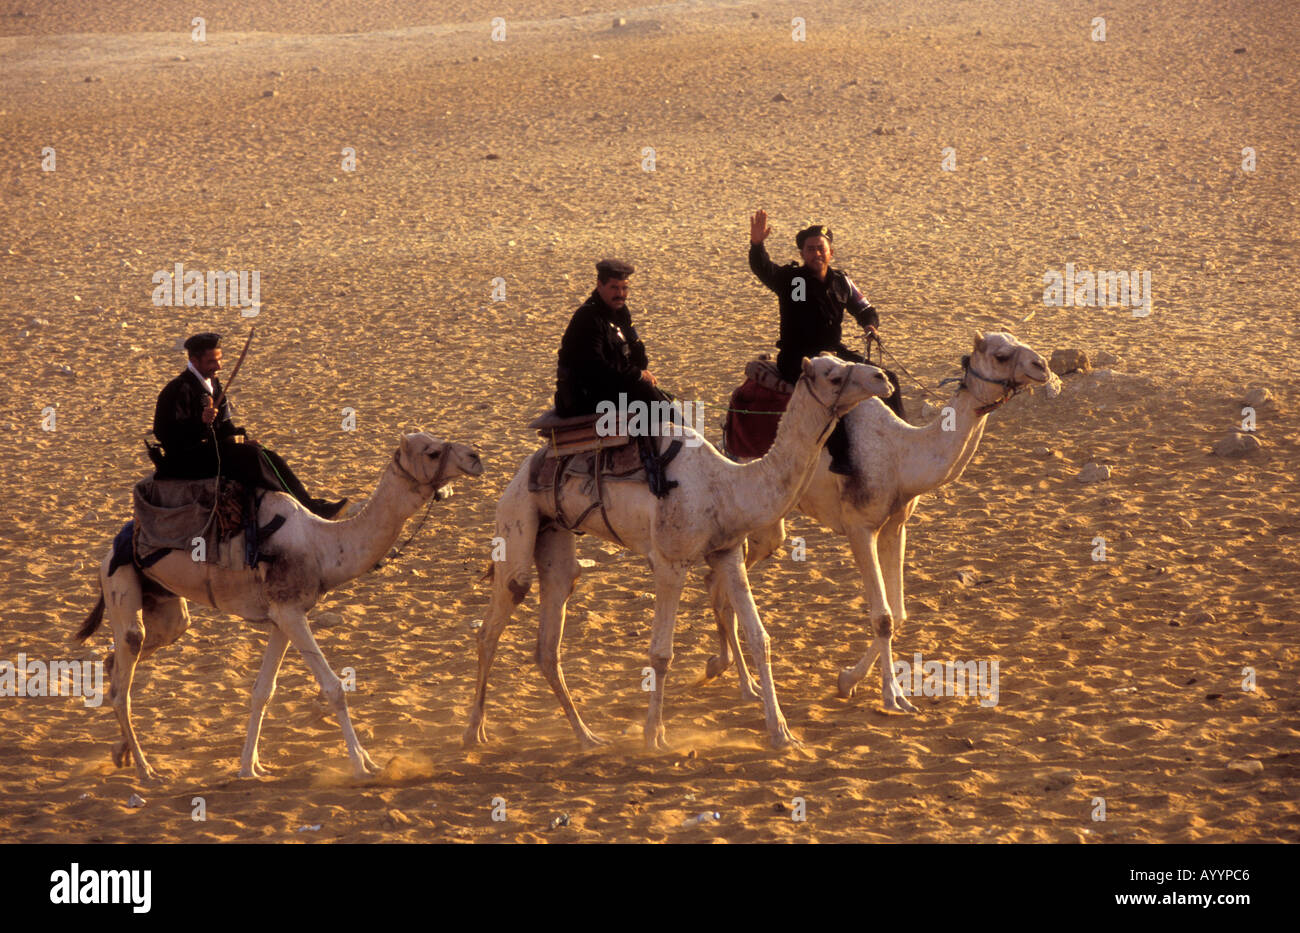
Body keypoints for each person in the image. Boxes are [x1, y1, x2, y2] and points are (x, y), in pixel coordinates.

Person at [748, 210, 904, 474]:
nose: (816, 253)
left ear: (830, 251)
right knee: (832, 391)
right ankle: (840, 458)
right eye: (809, 249)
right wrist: (757, 245)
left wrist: (870, 326)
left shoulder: (842, 282)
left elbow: (865, 309)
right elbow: (764, 269)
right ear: (802, 253)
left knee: (888, 378)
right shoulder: (793, 281)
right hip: (799, 356)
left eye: (821, 248)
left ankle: (897, 440)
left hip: (834, 353)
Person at [152, 333, 347, 519]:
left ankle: (309, 504)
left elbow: (225, 425)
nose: (218, 366)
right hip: (186, 460)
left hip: (213, 451)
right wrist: (199, 423)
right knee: (251, 458)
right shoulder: (178, 389)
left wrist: (241, 438)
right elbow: (164, 433)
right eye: (211, 361)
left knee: (263, 452)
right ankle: (300, 509)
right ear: (194, 361)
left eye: (219, 360)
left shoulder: (214, 384)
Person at [554, 258, 675, 419]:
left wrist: (641, 372)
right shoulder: (588, 318)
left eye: (624, 288)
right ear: (599, 285)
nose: (620, 294)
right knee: (648, 398)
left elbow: (635, 349)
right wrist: (637, 375)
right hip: (584, 396)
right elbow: (596, 367)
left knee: (662, 399)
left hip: (608, 388)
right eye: (614, 288)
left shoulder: (620, 312)